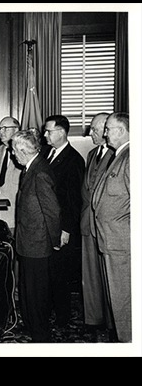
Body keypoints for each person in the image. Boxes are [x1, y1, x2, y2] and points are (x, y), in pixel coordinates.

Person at [13, 130, 61, 342]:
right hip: (28, 242)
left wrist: (54, 241)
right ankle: (32, 326)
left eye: (14, 150)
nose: (13, 154)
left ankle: (41, 337)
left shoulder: (40, 172)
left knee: (37, 294)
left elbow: (52, 211)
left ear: (23, 151)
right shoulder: (30, 168)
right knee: (28, 291)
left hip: (38, 244)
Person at [92, 112, 130, 342]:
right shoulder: (120, 155)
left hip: (123, 243)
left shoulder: (131, 157)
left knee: (125, 303)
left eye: (109, 128)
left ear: (122, 130)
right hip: (112, 242)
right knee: (117, 302)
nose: (105, 133)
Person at [43, 115, 85, 328]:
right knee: (50, 272)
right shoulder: (47, 153)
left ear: (61, 132)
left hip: (62, 227)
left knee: (60, 274)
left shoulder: (74, 159)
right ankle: (52, 311)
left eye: (49, 131)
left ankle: (62, 319)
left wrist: (67, 229)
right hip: (48, 224)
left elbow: (74, 200)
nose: (45, 135)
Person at [80, 113, 114, 334]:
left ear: (105, 130)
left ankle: (112, 323)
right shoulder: (92, 154)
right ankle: (94, 320)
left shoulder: (117, 154)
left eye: (93, 129)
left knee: (109, 278)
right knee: (89, 276)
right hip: (87, 222)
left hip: (107, 226)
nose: (90, 133)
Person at [0, 116, 22, 234]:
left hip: (14, 213)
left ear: (16, 130)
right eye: (0, 129)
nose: (1, 132)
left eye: (5, 128)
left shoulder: (23, 152)